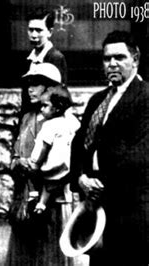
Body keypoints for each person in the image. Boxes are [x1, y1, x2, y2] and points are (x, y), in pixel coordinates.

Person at [70, 30, 149, 266]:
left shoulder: (145, 97)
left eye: (120, 57)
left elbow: (141, 155)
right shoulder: (97, 100)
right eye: (107, 59)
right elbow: (78, 145)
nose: (112, 64)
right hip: (97, 208)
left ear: (135, 59)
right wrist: (81, 178)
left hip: (131, 209)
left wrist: (98, 182)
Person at [6, 63, 74, 266]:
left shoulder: (63, 121)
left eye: (37, 84)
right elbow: (16, 153)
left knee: (50, 255)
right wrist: (18, 163)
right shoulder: (26, 117)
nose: (31, 89)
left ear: (51, 88)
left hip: (52, 198)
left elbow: (64, 164)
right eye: (29, 84)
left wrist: (37, 169)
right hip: (26, 198)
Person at [25, 86, 79, 216]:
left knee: (45, 181)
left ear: (57, 108)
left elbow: (44, 147)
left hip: (53, 164)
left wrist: (36, 163)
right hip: (68, 166)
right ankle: (42, 203)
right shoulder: (72, 121)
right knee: (54, 184)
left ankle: (39, 200)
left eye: (45, 106)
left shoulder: (49, 125)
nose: (42, 109)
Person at [26, 9, 67, 86]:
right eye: (31, 30)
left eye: (39, 30)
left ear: (50, 32)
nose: (34, 35)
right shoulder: (28, 58)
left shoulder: (56, 58)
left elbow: (59, 93)